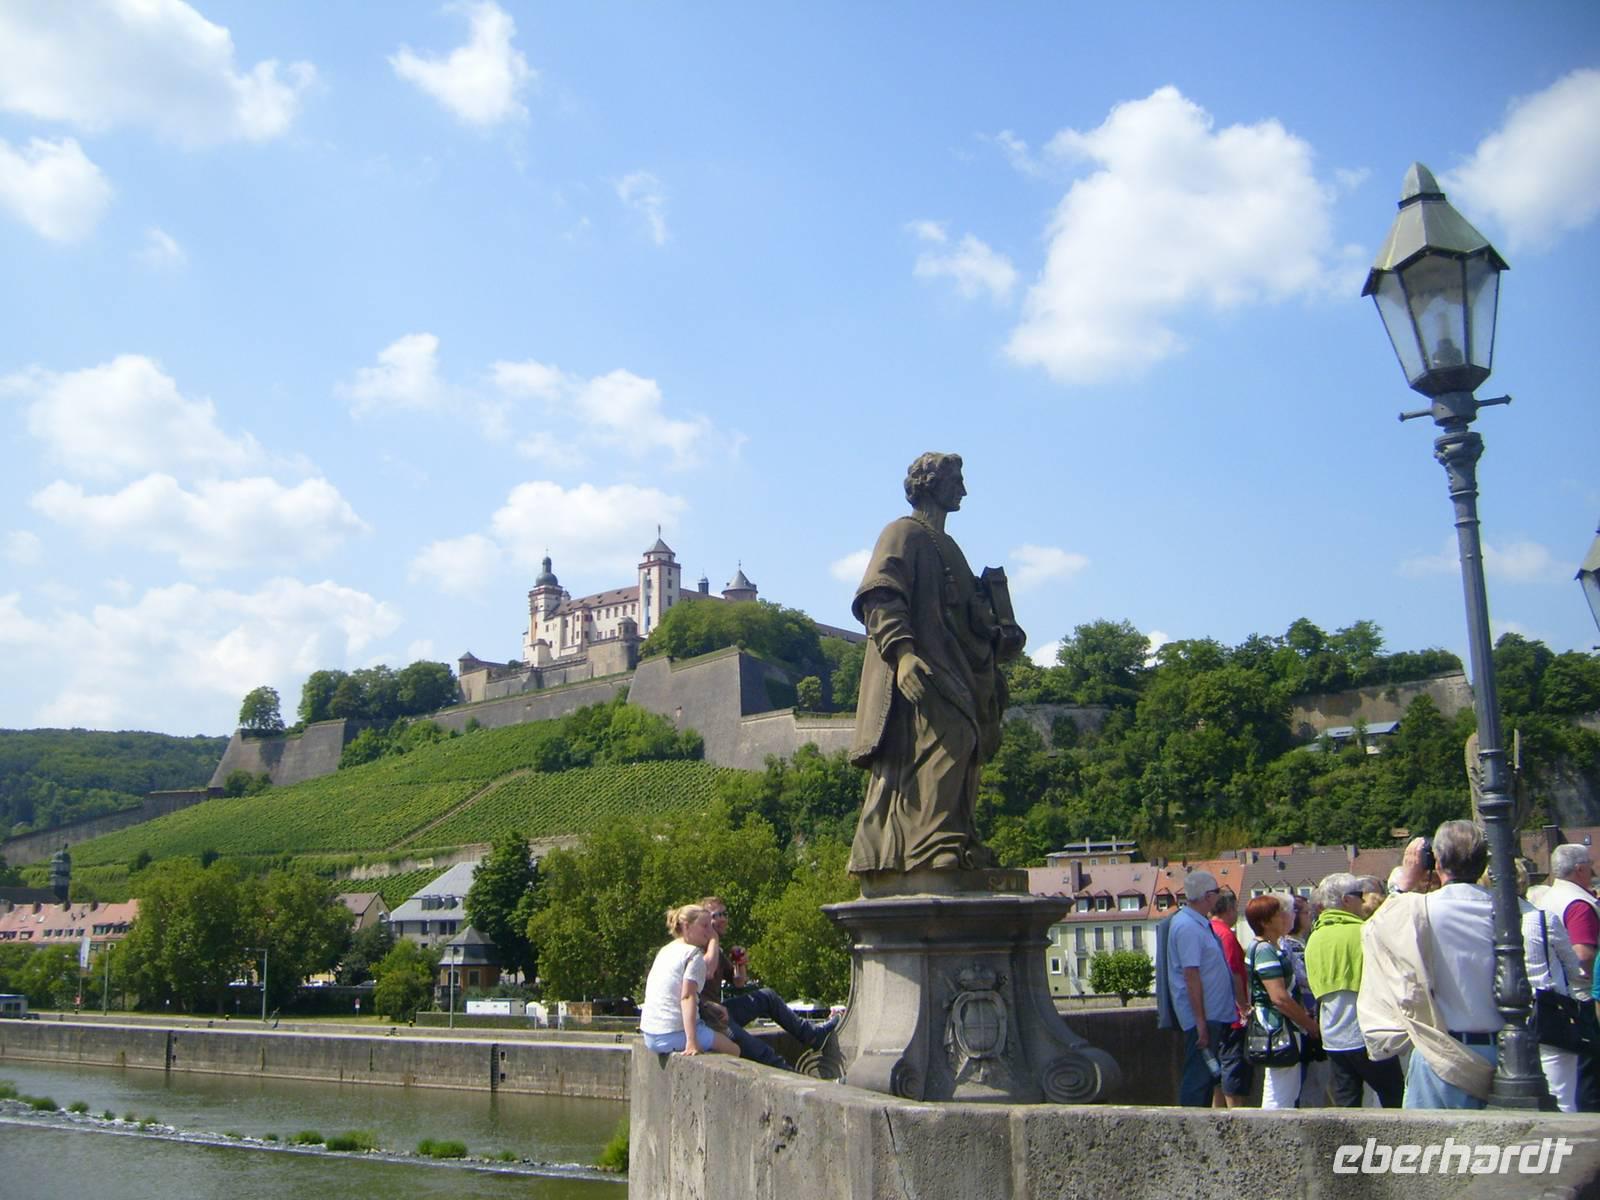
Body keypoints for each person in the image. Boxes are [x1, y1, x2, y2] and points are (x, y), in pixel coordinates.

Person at [847, 452, 1025, 875]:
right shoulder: (901, 534)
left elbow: (967, 619)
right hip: (923, 667)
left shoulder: (948, 547)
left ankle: (956, 839)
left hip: (955, 666)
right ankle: (931, 846)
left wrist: (1000, 630)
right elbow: (880, 595)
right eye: (955, 480)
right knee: (954, 737)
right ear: (930, 484)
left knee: (969, 743)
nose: (962, 489)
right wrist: (902, 654)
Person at [1359, 823, 1497, 1108]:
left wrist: (1404, 883)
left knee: (1431, 1151)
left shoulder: (1417, 909)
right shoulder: (1510, 909)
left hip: (1442, 1051)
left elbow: (1374, 932)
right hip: (1509, 1053)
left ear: (1437, 862)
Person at [698, 895, 835, 1069]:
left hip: (721, 1011)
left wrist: (740, 964)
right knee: (762, 1052)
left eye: (724, 913)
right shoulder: (697, 949)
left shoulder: (716, 949)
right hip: (709, 1017)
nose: (723, 919)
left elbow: (739, 982)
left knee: (767, 996)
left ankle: (812, 1035)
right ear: (704, 921)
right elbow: (697, 982)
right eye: (716, 915)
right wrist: (712, 939)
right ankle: (795, 1080)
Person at [1306, 872, 1404, 1108]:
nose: (1363, 901)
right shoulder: (1364, 932)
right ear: (1346, 900)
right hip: (1367, 1033)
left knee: (1346, 1107)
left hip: (1333, 1036)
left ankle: (1345, 1145)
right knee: (1395, 1099)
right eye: (1359, 895)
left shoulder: (1314, 938)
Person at [1516, 860, 1585, 1112]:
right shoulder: (1541, 919)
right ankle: (1565, 1150)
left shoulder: (1487, 922)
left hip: (1506, 1018)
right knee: (1562, 1096)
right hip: (1549, 1011)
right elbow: (1575, 968)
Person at [1164, 870, 1237, 1107]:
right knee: (1198, 1078)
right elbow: (1191, 974)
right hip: (1204, 1016)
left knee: (1205, 1078)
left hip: (1211, 1013)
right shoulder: (1188, 926)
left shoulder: (1197, 923)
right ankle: (1190, 1132)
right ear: (1208, 896)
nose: (1218, 898)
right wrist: (1200, 1022)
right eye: (1216, 893)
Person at [1536, 844, 1600, 1111]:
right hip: (1581, 1000)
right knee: (1588, 1083)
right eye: (1590, 865)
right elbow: (1583, 955)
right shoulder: (1580, 904)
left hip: (1554, 996)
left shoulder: (1546, 897)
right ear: (1580, 869)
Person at [1244, 894, 1320, 1108]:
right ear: (1265, 922)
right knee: (1281, 1093)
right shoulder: (1266, 951)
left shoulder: (1263, 947)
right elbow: (1279, 998)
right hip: (1278, 1027)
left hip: (1275, 1025)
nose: (1285, 917)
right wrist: (1309, 1024)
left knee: (1282, 1087)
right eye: (1278, 914)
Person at [638, 904, 741, 1058]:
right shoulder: (693, 955)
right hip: (671, 1034)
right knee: (734, 1050)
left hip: (650, 1035)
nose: (709, 931)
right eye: (704, 926)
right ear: (687, 926)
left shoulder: (666, 950)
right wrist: (692, 1041)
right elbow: (687, 997)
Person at [1208, 889, 1252, 1108]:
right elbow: (1233, 973)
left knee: (1216, 1066)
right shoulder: (1225, 934)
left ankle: (1217, 1113)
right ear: (1227, 908)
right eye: (1235, 908)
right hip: (1230, 1014)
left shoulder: (1207, 930)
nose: (1237, 912)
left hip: (1212, 1011)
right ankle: (1236, 1115)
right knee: (1232, 1064)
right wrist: (1243, 1006)